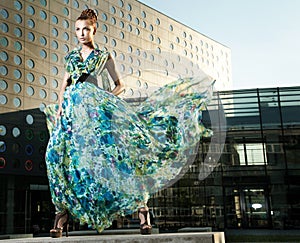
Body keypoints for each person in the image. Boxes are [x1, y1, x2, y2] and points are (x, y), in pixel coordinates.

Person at [44, 9, 214, 238]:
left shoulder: (104, 57)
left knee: (117, 160)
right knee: (55, 157)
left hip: (95, 116)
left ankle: (142, 210)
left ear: (94, 30)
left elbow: (119, 85)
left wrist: (105, 100)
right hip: (70, 118)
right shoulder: (71, 57)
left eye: (86, 29)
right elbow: (64, 85)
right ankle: (62, 212)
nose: (81, 33)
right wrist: (60, 110)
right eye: (77, 29)